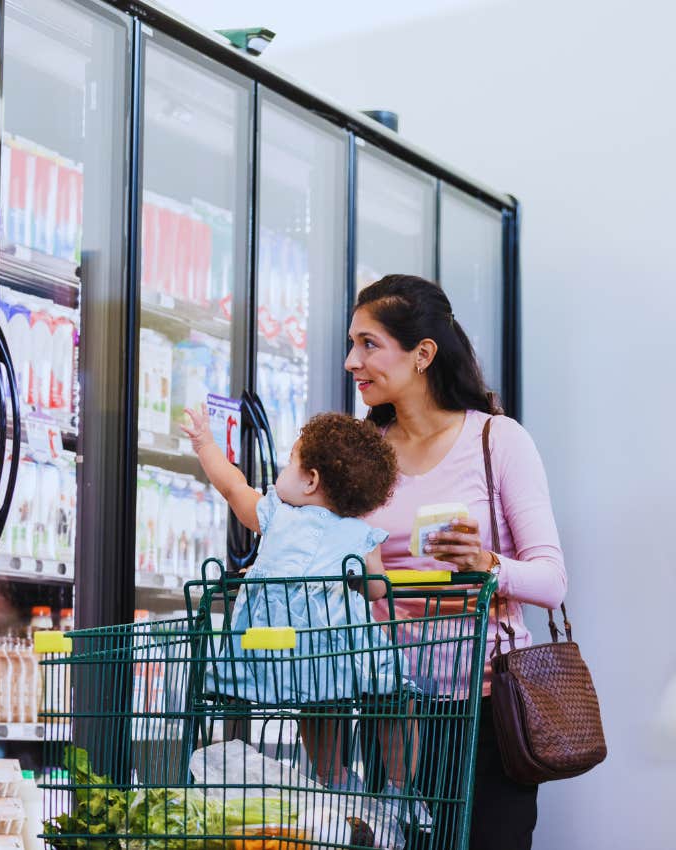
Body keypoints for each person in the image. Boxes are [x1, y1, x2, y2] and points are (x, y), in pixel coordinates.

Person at [345, 274, 567, 850]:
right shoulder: (365, 456)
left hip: (487, 712)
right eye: (353, 344)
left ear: (423, 354)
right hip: (390, 708)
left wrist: (487, 562)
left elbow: (551, 578)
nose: (352, 361)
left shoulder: (498, 441)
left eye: (369, 344)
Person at [181, 407, 431, 826]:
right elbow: (376, 589)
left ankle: (331, 778)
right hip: (346, 648)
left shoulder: (276, 515)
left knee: (316, 703)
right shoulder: (359, 531)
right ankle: (401, 788)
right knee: (395, 701)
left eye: (289, 462)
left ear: (310, 480)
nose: (281, 471)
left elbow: (232, 487)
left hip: (284, 656)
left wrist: (205, 444)